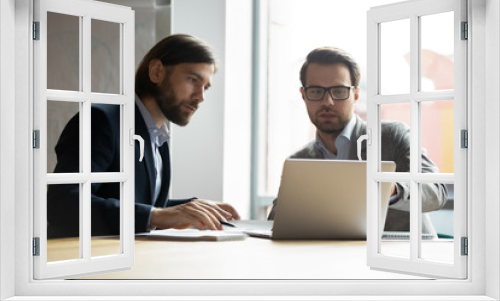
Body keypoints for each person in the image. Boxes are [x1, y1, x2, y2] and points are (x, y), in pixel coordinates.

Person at [48, 34, 240, 238]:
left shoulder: (157, 137)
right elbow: (63, 203)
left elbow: (143, 205)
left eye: (206, 87)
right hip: (83, 260)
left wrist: (192, 208)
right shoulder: (101, 120)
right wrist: (158, 215)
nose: (200, 96)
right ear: (156, 72)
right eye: (193, 80)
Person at [268, 47, 447, 236]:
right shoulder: (299, 161)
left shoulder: (392, 136)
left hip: (400, 259)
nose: (327, 101)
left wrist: (388, 187)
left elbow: (436, 192)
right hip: (331, 260)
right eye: (316, 91)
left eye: (338, 91)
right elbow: (277, 223)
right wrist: (236, 224)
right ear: (304, 95)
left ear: (355, 95)